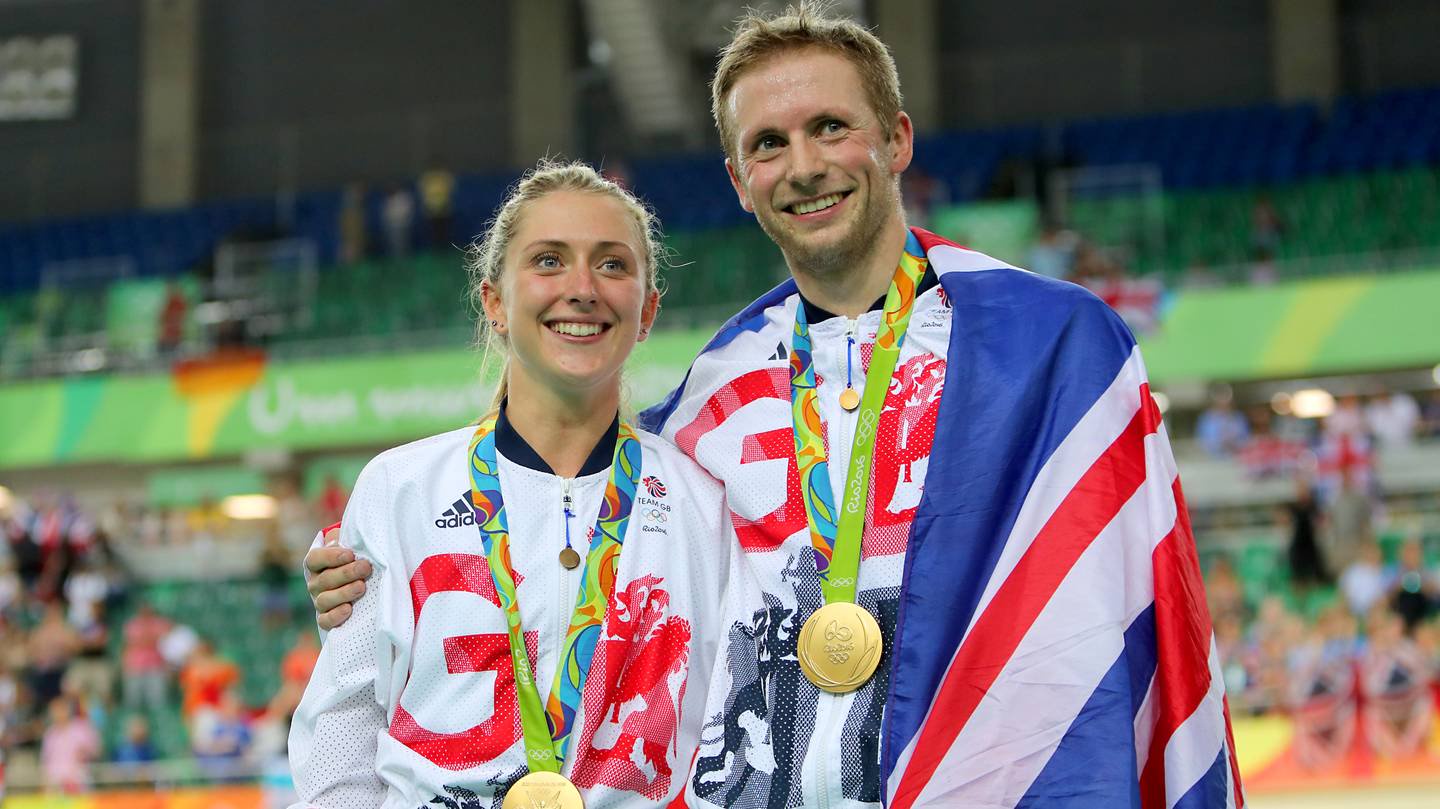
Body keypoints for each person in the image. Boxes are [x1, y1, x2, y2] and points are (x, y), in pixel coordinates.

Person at [305, 5, 1239, 806]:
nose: (803, 165)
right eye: (768, 144)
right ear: (739, 181)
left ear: (896, 140)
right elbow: (574, 586)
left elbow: (1146, 608)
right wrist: (367, 588)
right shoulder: (710, 403)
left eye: (830, 127)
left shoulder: (1052, 349)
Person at [288, 161, 737, 808]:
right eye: (549, 261)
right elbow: (344, 730)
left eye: (612, 264)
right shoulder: (399, 489)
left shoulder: (705, 502)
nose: (582, 288)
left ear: (647, 311)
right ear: (494, 301)